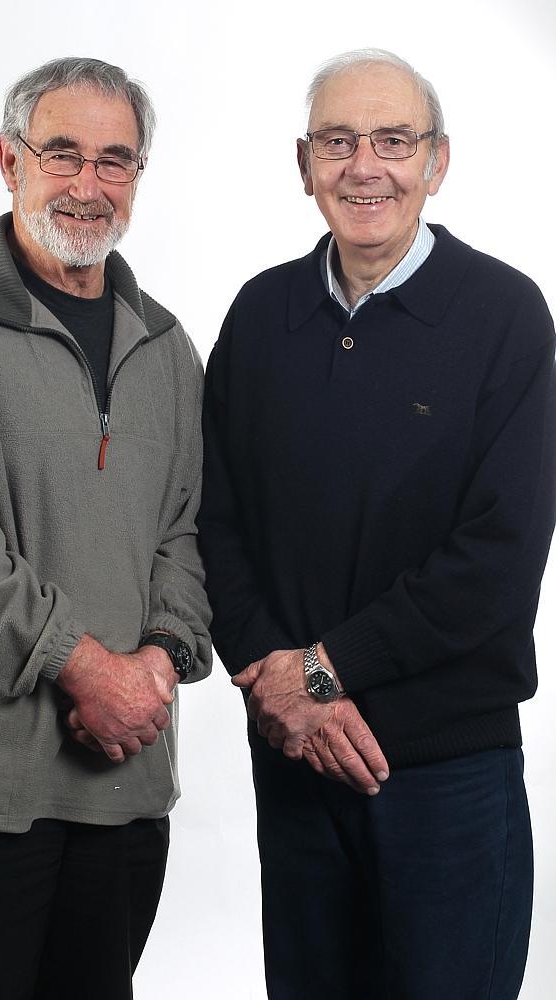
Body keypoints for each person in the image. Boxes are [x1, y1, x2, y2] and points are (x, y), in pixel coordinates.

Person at [198, 48, 556, 999]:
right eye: (337, 140)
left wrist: (322, 669)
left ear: (437, 162)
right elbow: (212, 524)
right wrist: (285, 694)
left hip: (447, 776)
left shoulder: (507, 317)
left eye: (394, 140)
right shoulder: (260, 314)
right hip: (296, 767)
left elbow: (498, 562)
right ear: (303, 163)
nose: (366, 166)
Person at [0, 56, 211, 1000]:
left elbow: (188, 535)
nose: (89, 185)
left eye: (115, 160)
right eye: (63, 153)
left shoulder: (168, 349)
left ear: (138, 177)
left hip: (124, 790)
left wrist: (160, 658)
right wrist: (85, 665)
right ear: (9, 161)